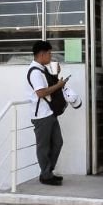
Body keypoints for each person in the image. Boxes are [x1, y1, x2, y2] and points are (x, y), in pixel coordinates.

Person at [27, 40, 69, 186]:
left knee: (58, 143)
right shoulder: (35, 72)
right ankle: (46, 174)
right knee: (43, 146)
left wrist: (56, 77)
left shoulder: (42, 69)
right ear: (42, 54)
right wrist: (59, 85)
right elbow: (40, 93)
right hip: (41, 115)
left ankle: (47, 172)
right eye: (50, 53)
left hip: (49, 112)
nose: (51, 56)